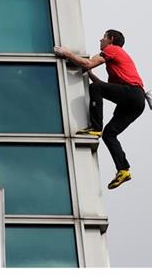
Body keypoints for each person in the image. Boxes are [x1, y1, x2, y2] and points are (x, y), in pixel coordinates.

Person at [54, 29, 145, 190]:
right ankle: (123, 170)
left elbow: (89, 64)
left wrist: (67, 53)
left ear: (110, 39)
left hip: (132, 94)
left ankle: (95, 128)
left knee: (95, 89)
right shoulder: (117, 61)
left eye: (103, 37)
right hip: (136, 102)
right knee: (110, 134)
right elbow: (102, 85)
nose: (100, 40)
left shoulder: (112, 49)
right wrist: (88, 73)